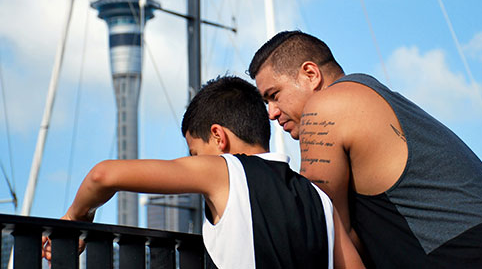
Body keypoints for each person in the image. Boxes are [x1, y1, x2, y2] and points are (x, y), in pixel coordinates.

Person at [248, 30, 482, 268]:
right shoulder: (383, 102)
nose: (272, 113)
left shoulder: (327, 106)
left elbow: (320, 230)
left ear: (311, 74)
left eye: (274, 95)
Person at [42, 76, 364, 269]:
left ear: (218, 137)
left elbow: (103, 175)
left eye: (194, 153)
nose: (194, 161)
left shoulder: (224, 170)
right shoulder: (319, 199)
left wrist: (74, 218)